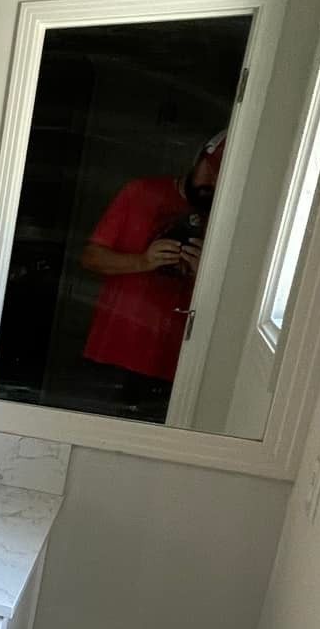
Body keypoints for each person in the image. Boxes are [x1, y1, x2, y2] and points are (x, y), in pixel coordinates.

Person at [77, 132, 226, 420]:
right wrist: (143, 261)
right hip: (113, 353)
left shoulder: (226, 220)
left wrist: (201, 274)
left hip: (176, 368)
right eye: (211, 169)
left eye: (222, 175)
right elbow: (90, 258)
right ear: (197, 159)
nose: (213, 182)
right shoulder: (139, 193)